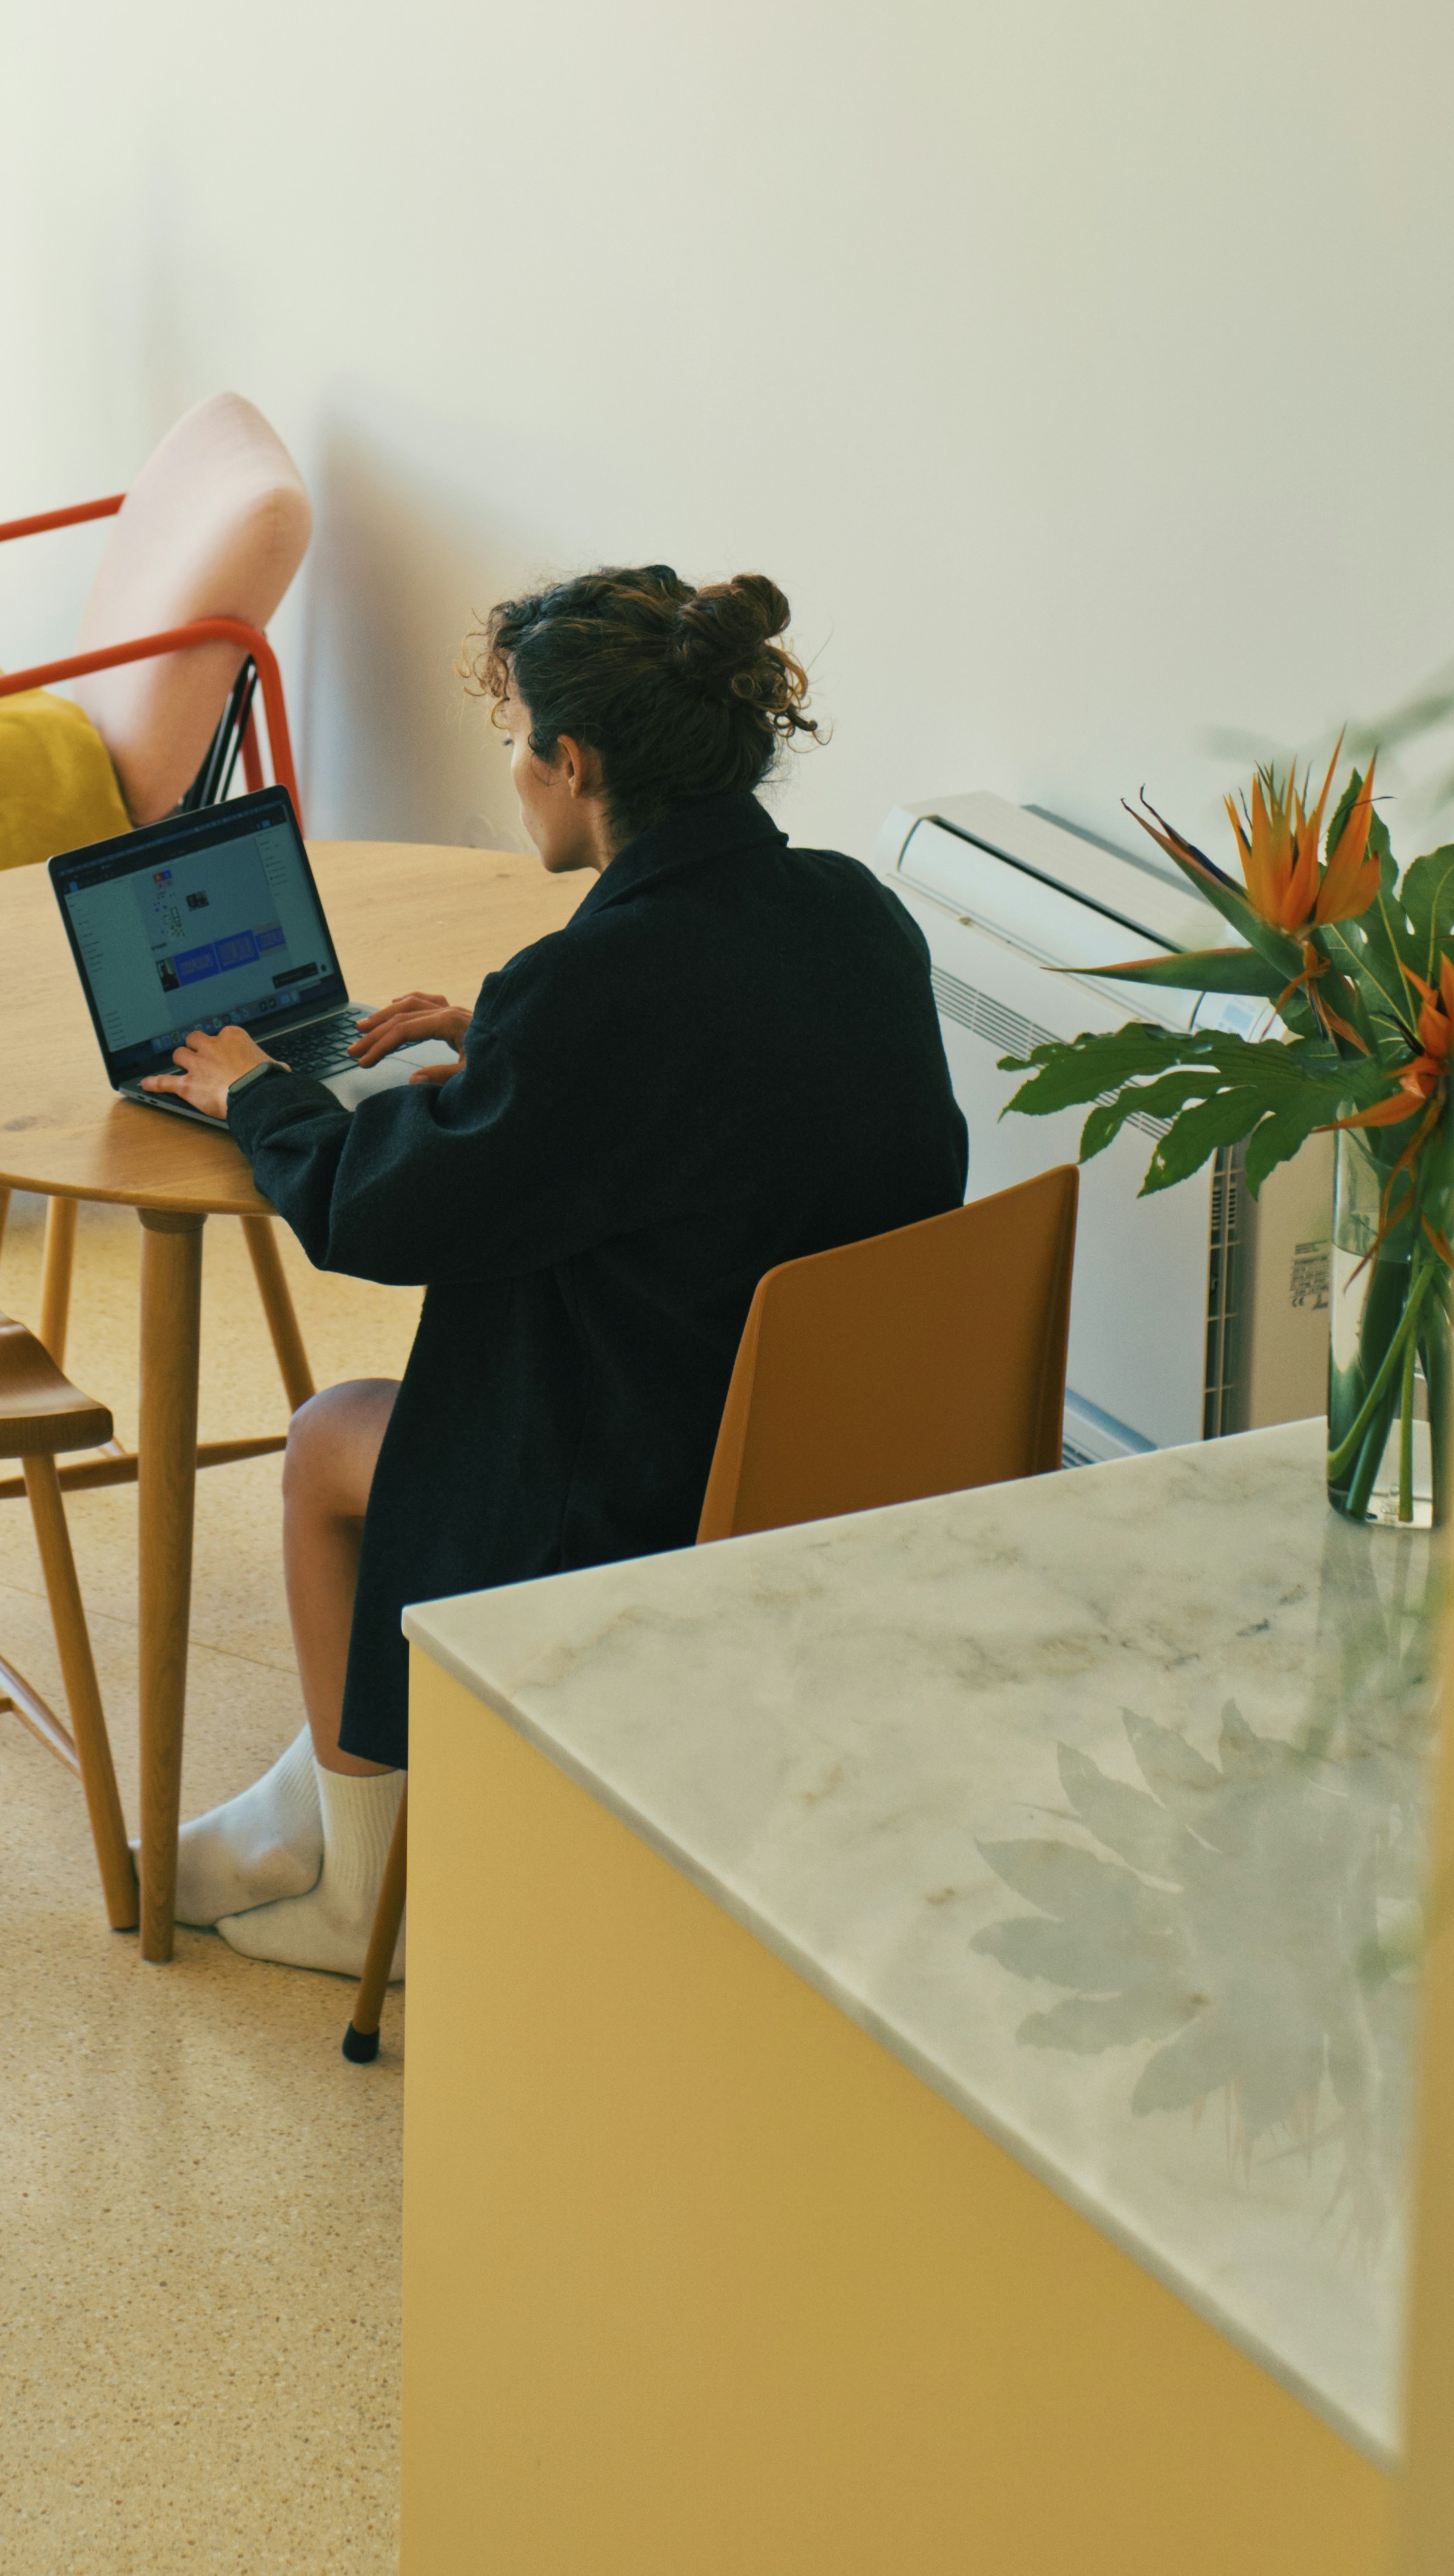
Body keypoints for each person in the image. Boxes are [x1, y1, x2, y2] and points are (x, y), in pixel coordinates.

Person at [137, 564, 968, 1974]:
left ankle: (359, 1886)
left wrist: (258, 1094)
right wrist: (501, 1046)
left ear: (573, 762)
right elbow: (722, 1077)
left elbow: (376, 1211)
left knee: (329, 1438)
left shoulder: (593, 993)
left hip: (654, 1489)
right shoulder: (851, 911)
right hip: (838, 1453)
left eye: (517, 735)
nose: (513, 767)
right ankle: (308, 1803)